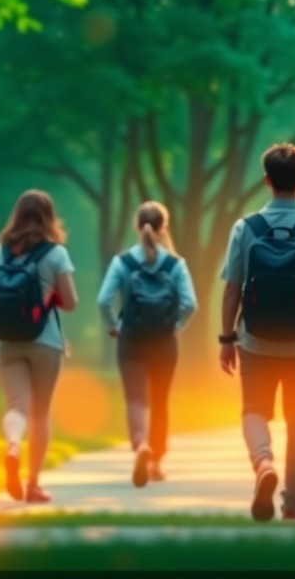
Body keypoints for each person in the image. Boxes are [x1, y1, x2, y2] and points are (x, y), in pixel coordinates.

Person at [218, 143, 295, 522]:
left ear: (267, 180)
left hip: (254, 340)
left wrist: (227, 338)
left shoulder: (245, 227)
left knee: (254, 410)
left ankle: (263, 463)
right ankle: (291, 502)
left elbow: (231, 289)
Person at [0, 189, 79, 504]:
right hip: (45, 341)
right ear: (49, 216)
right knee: (40, 414)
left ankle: (12, 446)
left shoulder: (0, 253)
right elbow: (70, 303)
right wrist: (48, 293)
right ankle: (33, 485)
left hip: (7, 340)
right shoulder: (56, 254)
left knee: (17, 407)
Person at [98, 201, 197, 488]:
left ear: (136, 226)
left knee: (136, 398)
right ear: (164, 227)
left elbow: (104, 300)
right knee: (160, 400)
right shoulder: (175, 264)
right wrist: (175, 325)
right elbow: (191, 304)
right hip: (164, 342)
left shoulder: (122, 263)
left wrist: (112, 326)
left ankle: (140, 444)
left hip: (131, 339)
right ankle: (155, 463)